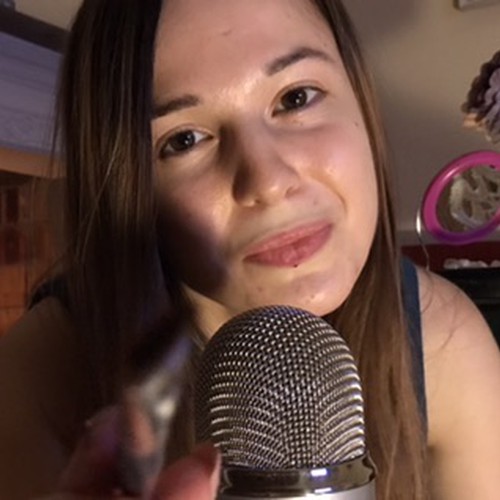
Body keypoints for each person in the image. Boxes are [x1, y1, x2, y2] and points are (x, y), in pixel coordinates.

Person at [0, 0, 499, 498]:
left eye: (297, 98)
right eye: (184, 140)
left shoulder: (444, 340)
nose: (268, 181)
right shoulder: (36, 377)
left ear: (360, 100)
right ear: (129, 191)